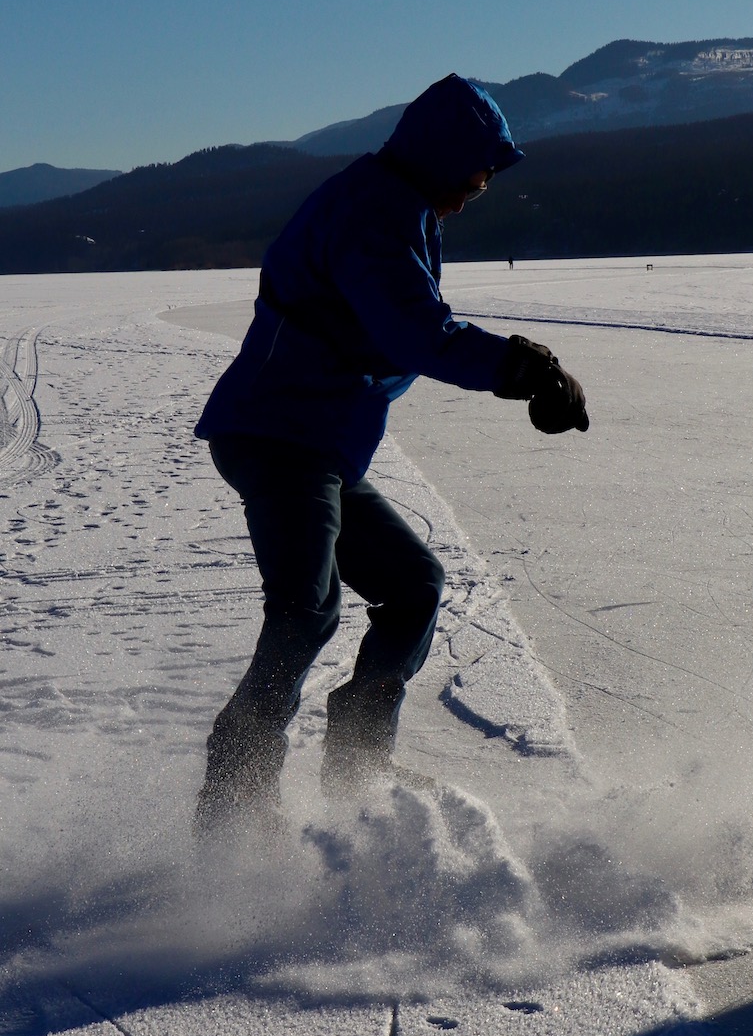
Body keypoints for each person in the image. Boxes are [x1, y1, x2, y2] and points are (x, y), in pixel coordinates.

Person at [193, 73, 588, 836]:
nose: (477, 193)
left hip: (317, 442)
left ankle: (358, 766)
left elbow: (403, 328)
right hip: (280, 435)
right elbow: (414, 331)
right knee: (307, 611)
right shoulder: (377, 209)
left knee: (412, 586)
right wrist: (524, 366)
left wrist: (515, 368)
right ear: (443, 157)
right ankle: (234, 796)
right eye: (476, 175)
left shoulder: (400, 202)